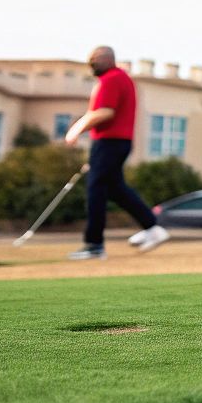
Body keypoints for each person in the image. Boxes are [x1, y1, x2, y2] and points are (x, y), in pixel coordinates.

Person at [63, 46, 169, 259]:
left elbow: (104, 111)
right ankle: (152, 228)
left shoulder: (112, 79)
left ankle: (94, 245)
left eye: (94, 60)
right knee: (115, 189)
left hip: (109, 142)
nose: (91, 64)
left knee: (96, 189)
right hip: (117, 142)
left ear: (106, 59)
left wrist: (76, 129)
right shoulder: (120, 78)